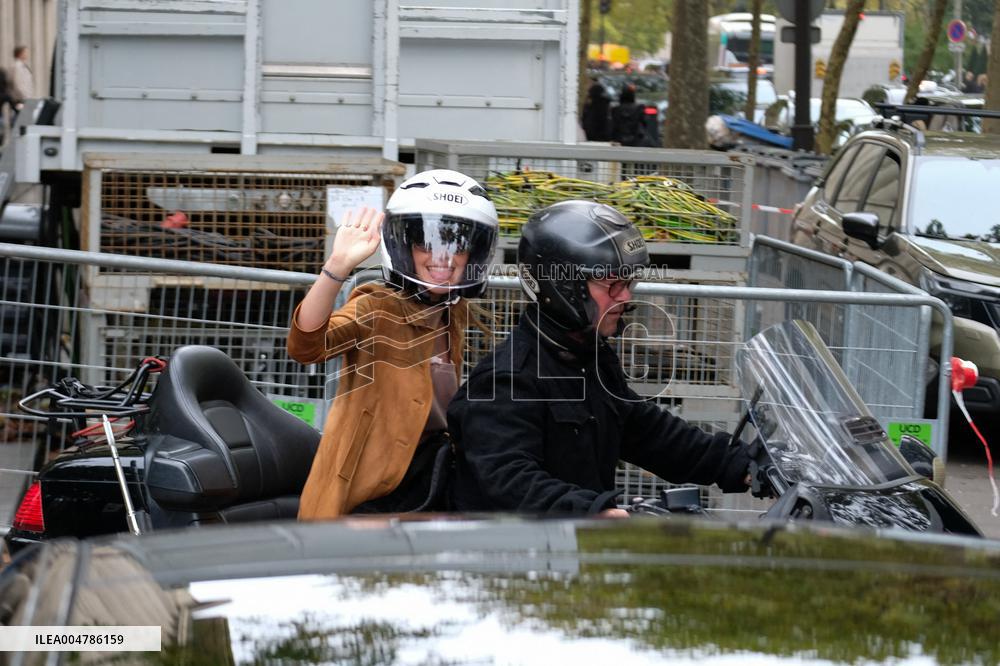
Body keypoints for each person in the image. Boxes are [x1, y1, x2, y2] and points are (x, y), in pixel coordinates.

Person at [448, 200, 751, 517]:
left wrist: (741, 462)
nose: (625, 296)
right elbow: (510, 480)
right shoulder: (506, 379)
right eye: (611, 283)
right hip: (516, 559)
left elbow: (650, 432)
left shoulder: (589, 358)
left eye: (628, 281)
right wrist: (596, 512)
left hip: (581, 553)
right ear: (562, 286)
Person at [287, 169, 499, 519]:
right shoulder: (377, 305)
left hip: (431, 480)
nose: (443, 257)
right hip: (370, 494)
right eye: (424, 242)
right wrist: (336, 268)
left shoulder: (452, 312)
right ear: (403, 246)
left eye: (458, 245)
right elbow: (306, 346)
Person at [581, 77, 611, 141]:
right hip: (603, 135)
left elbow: (585, 119)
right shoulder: (605, 104)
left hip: (590, 134)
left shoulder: (589, 105)